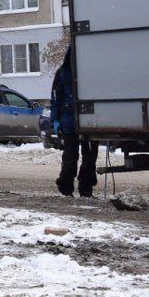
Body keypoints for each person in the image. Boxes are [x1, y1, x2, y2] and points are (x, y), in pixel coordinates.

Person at [51, 47, 99, 198]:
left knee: (89, 157)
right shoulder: (63, 73)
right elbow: (56, 98)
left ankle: (85, 188)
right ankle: (66, 188)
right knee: (71, 157)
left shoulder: (90, 71)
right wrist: (56, 120)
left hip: (89, 121)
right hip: (71, 121)